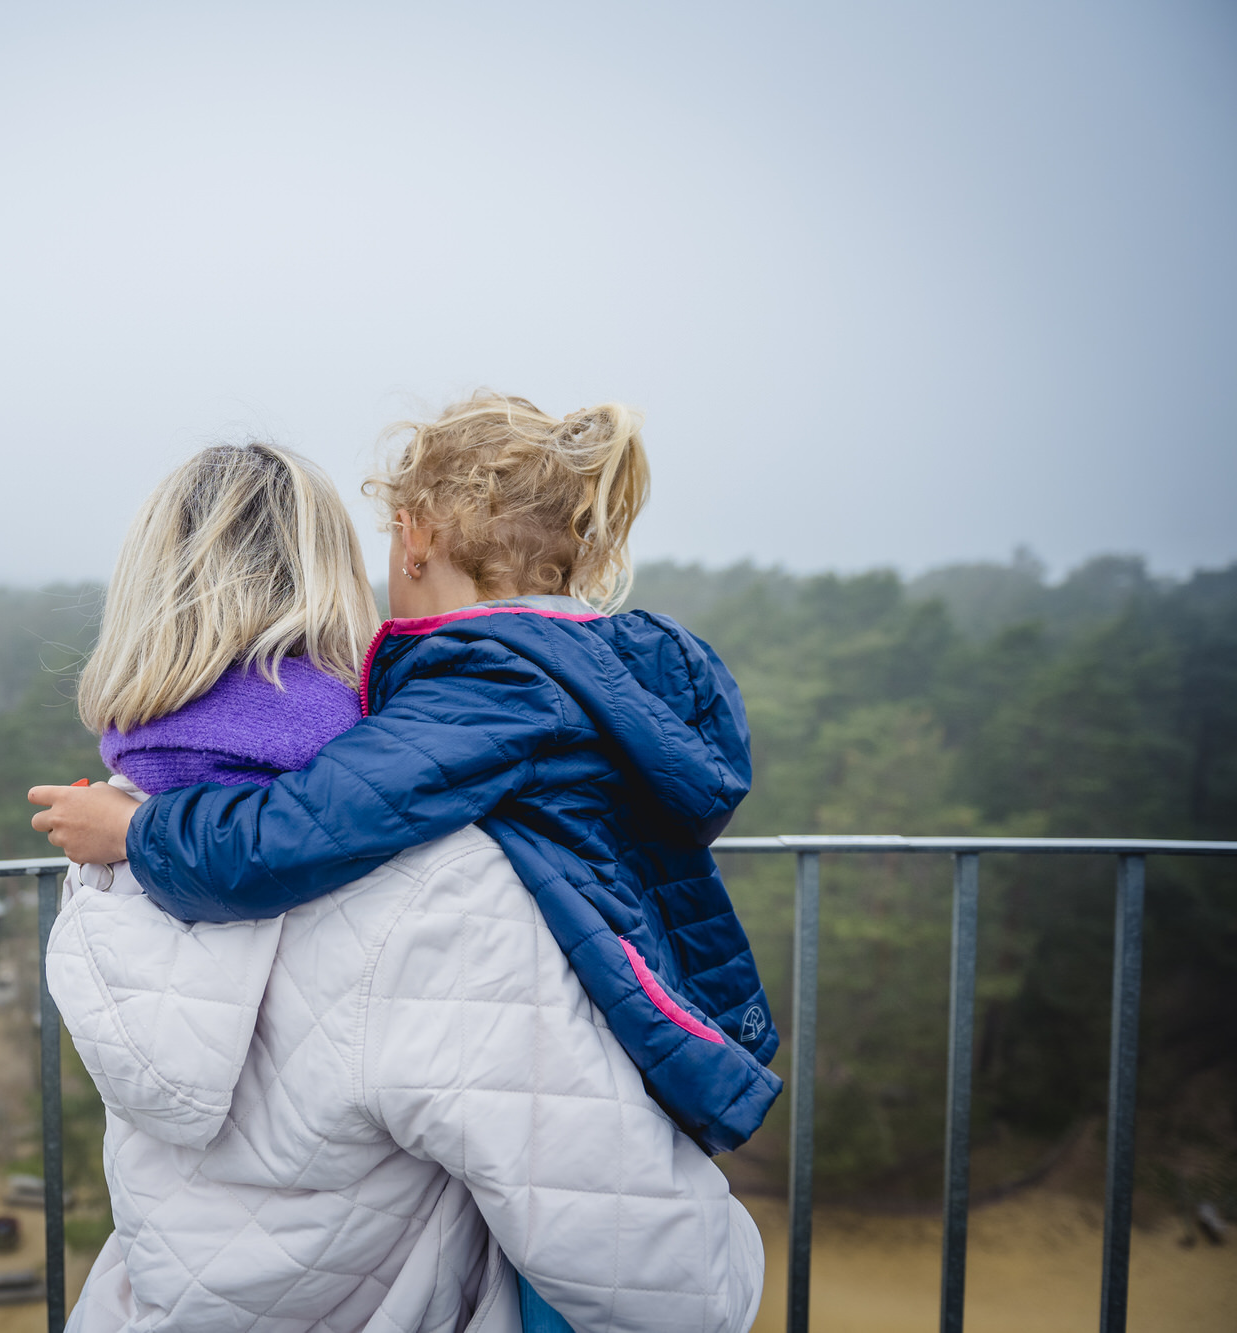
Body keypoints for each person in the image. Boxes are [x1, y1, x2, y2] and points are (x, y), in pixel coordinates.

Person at [39, 438, 764, 1332]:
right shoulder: (440, 883)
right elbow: (663, 1281)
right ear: (340, 580)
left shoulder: (109, 843)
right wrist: (735, 1253)